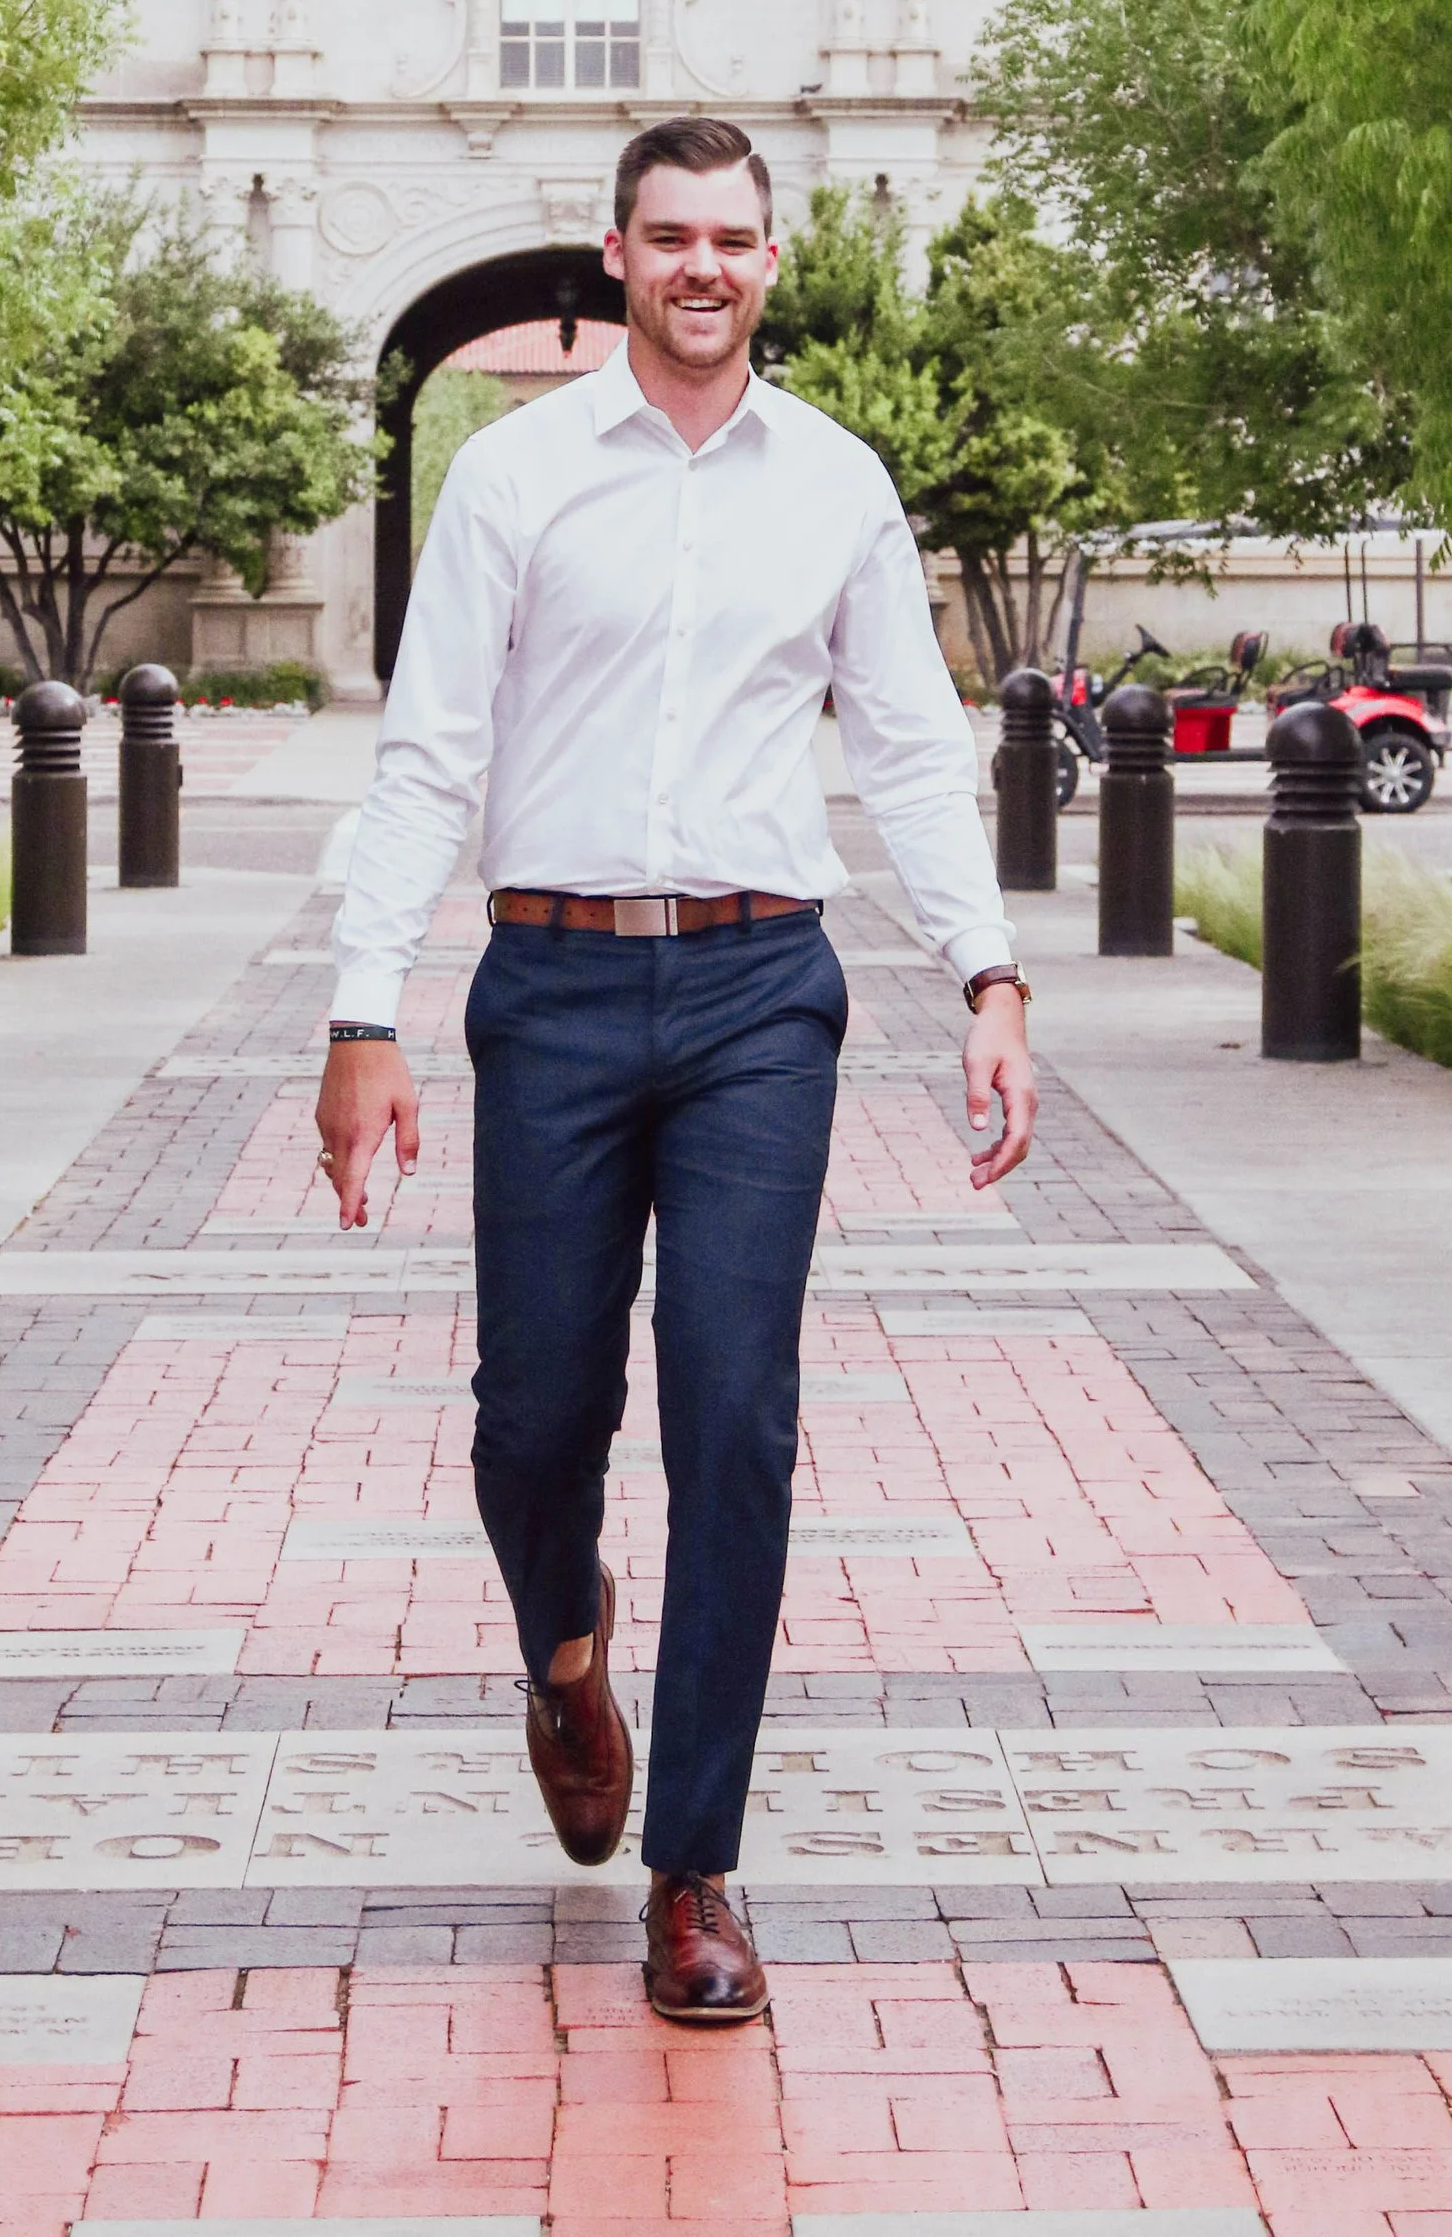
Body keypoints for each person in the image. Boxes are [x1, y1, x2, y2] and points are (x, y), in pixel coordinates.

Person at [315, 116, 1035, 2023]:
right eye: (670, 235)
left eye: (733, 237)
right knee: (532, 1417)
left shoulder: (838, 487)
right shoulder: (517, 476)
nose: (703, 265)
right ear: (616, 254)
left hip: (755, 997)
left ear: (769, 261)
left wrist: (989, 972)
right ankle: (567, 1654)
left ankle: (696, 1864)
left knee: (737, 1413)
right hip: (547, 986)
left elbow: (906, 748)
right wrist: (361, 1010)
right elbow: (425, 751)